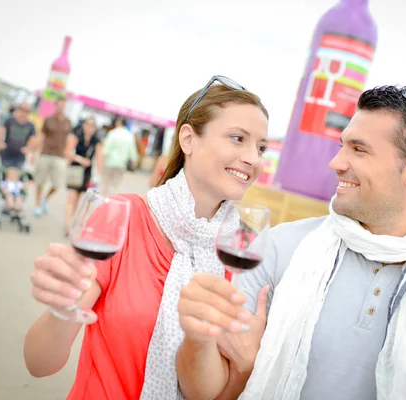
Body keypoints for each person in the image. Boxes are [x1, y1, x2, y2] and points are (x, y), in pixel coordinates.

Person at [176, 85, 406, 400]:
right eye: (342, 145)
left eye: (359, 149)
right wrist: (199, 338)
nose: (336, 163)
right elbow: (205, 392)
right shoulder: (277, 247)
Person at [23, 76, 270, 399]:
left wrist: (217, 346)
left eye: (261, 147)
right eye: (238, 138)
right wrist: (62, 304)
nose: (254, 158)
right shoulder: (122, 217)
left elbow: (208, 394)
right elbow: (39, 363)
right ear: (188, 139)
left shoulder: (243, 252)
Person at [0, 102, 38, 212]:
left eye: (27, 111)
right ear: (18, 110)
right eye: (22, 109)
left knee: (16, 179)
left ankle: (13, 202)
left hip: (19, 158)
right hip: (6, 156)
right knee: (0, 179)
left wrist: (29, 150)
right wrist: (0, 143)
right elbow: (0, 133)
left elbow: (33, 141)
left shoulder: (30, 125)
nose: (24, 113)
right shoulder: (10, 121)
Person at [63, 116, 104, 235]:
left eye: (92, 125)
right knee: (71, 198)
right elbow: (67, 151)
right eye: (88, 124)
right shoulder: (77, 137)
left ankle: (70, 222)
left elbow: (99, 158)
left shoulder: (96, 141)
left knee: (77, 199)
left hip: (86, 173)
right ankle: (67, 225)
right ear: (83, 125)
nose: (89, 127)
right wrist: (79, 159)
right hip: (75, 170)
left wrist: (100, 176)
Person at [33, 98, 73, 217]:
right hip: (45, 153)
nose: (60, 108)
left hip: (59, 156)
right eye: (59, 105)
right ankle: (37, 204)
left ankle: (46, 198)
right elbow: (41, 136)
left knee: (57, 184)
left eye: (63, 106)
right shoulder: (48, 120)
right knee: (40, 181)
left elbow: (69, 139)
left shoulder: (68, 122)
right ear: (55, 106)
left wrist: (69, 154)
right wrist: (35, 152)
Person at [101, 116, 138, 197]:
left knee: (105, 183)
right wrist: (134, 161)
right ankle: (111, 202)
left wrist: (101, 162)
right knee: (115, 185)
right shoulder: (129, 136)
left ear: (119, 123)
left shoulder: (112, 133)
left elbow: (106, 149)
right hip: (121, 164)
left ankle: (103, 202)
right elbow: (132, 151)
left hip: (109, 162)